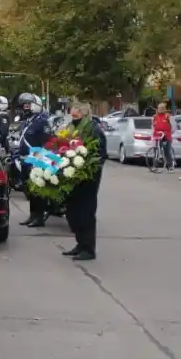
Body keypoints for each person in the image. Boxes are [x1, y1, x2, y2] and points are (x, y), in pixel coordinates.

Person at [62, 104, 107, 261]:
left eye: (76, 112)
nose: (73, 114)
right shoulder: (71, 128)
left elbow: (100, 155)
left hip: (87, 180)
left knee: (85, 213)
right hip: (73, 178)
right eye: (72, 112)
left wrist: (86, 170)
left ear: (84, 113)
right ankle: (80, 244)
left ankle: (88, 249)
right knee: (73, 212)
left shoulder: (93, 130)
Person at [16, 93, 50, 227]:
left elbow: (47, 142)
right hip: (25, 160)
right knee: (29, 190)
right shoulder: (27, 121)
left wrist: (41, 160)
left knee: (38, 191)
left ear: (36, 105)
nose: (26, 107)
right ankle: (32, 215)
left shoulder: (42, 121)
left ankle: (39, 218)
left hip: (37, 160)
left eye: (28, 104)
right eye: (24, 105)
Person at [152, 103, 174, 171]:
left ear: (165, 109)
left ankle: (170, 166)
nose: (160, 109)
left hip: (166, 136)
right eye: (159, 108)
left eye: (162, 108)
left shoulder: (168, 116)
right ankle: (155, 166)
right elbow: (152, 127)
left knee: (167, 151)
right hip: (157, 136)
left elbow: (173, 127)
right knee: (156, 151)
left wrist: (168, 133)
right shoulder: (155, 117)